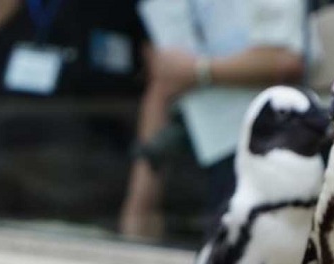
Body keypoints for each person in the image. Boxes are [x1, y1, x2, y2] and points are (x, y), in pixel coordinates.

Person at [118, 0, 308, 240]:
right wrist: (141, 202)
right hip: (200, 152)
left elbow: (287, 59)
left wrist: (199, 71)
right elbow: (163, 80)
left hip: (269, 148)